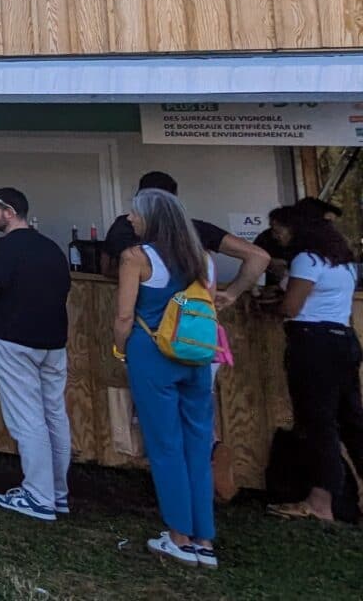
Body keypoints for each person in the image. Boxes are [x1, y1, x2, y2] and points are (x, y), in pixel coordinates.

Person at [114, 188, 219, 566]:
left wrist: (119, 348)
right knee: (198, 445)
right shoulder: (203, 259)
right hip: (196, 357)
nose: (130, 218)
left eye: (135, 213)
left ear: (152, 219)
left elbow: (124, 317)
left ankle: (178, 536)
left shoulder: (136, 258)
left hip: (152, 353)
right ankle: (204, 540)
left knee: (165, 446)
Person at [0, 187, 73, 522]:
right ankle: (58, 493)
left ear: (10, 211)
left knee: (27, 418)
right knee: (54, 415)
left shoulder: (3, 249)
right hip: (54, 341)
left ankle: (38, 496)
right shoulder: (52, 248)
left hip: (12, 339)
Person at [266, 211, 363, 524]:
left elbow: (292, 306)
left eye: (278, 229)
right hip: (344, 340)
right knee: (351, 420)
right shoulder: (344, 263)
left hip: (312, 343)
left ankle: (320, 502)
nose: (276, 236)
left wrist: (270, 305)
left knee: (317, 422)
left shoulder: (307, 259)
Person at [101, 173, 268, 306]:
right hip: (191, 326)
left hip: (147, 322)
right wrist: (231, 294)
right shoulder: (196, 229)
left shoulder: (125, 226)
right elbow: (259, 257)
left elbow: (107, 267)